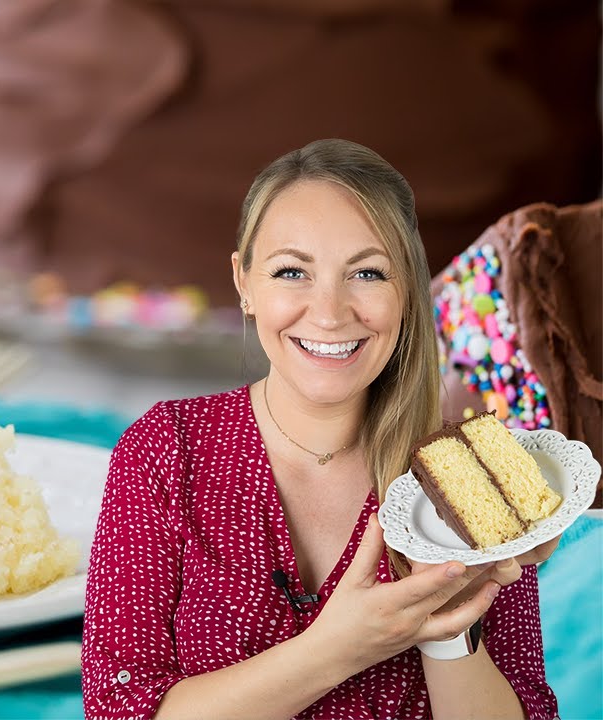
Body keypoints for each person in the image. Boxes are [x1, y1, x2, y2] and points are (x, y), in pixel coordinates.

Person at [81, 139, 560, 719]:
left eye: (367, 272)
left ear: (406, 288)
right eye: (291, 271)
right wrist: (338, 649)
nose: (330, 313)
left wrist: (447, 622)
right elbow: (117, 708)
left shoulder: (464, 476)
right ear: (243, 281)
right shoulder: (165, 449)